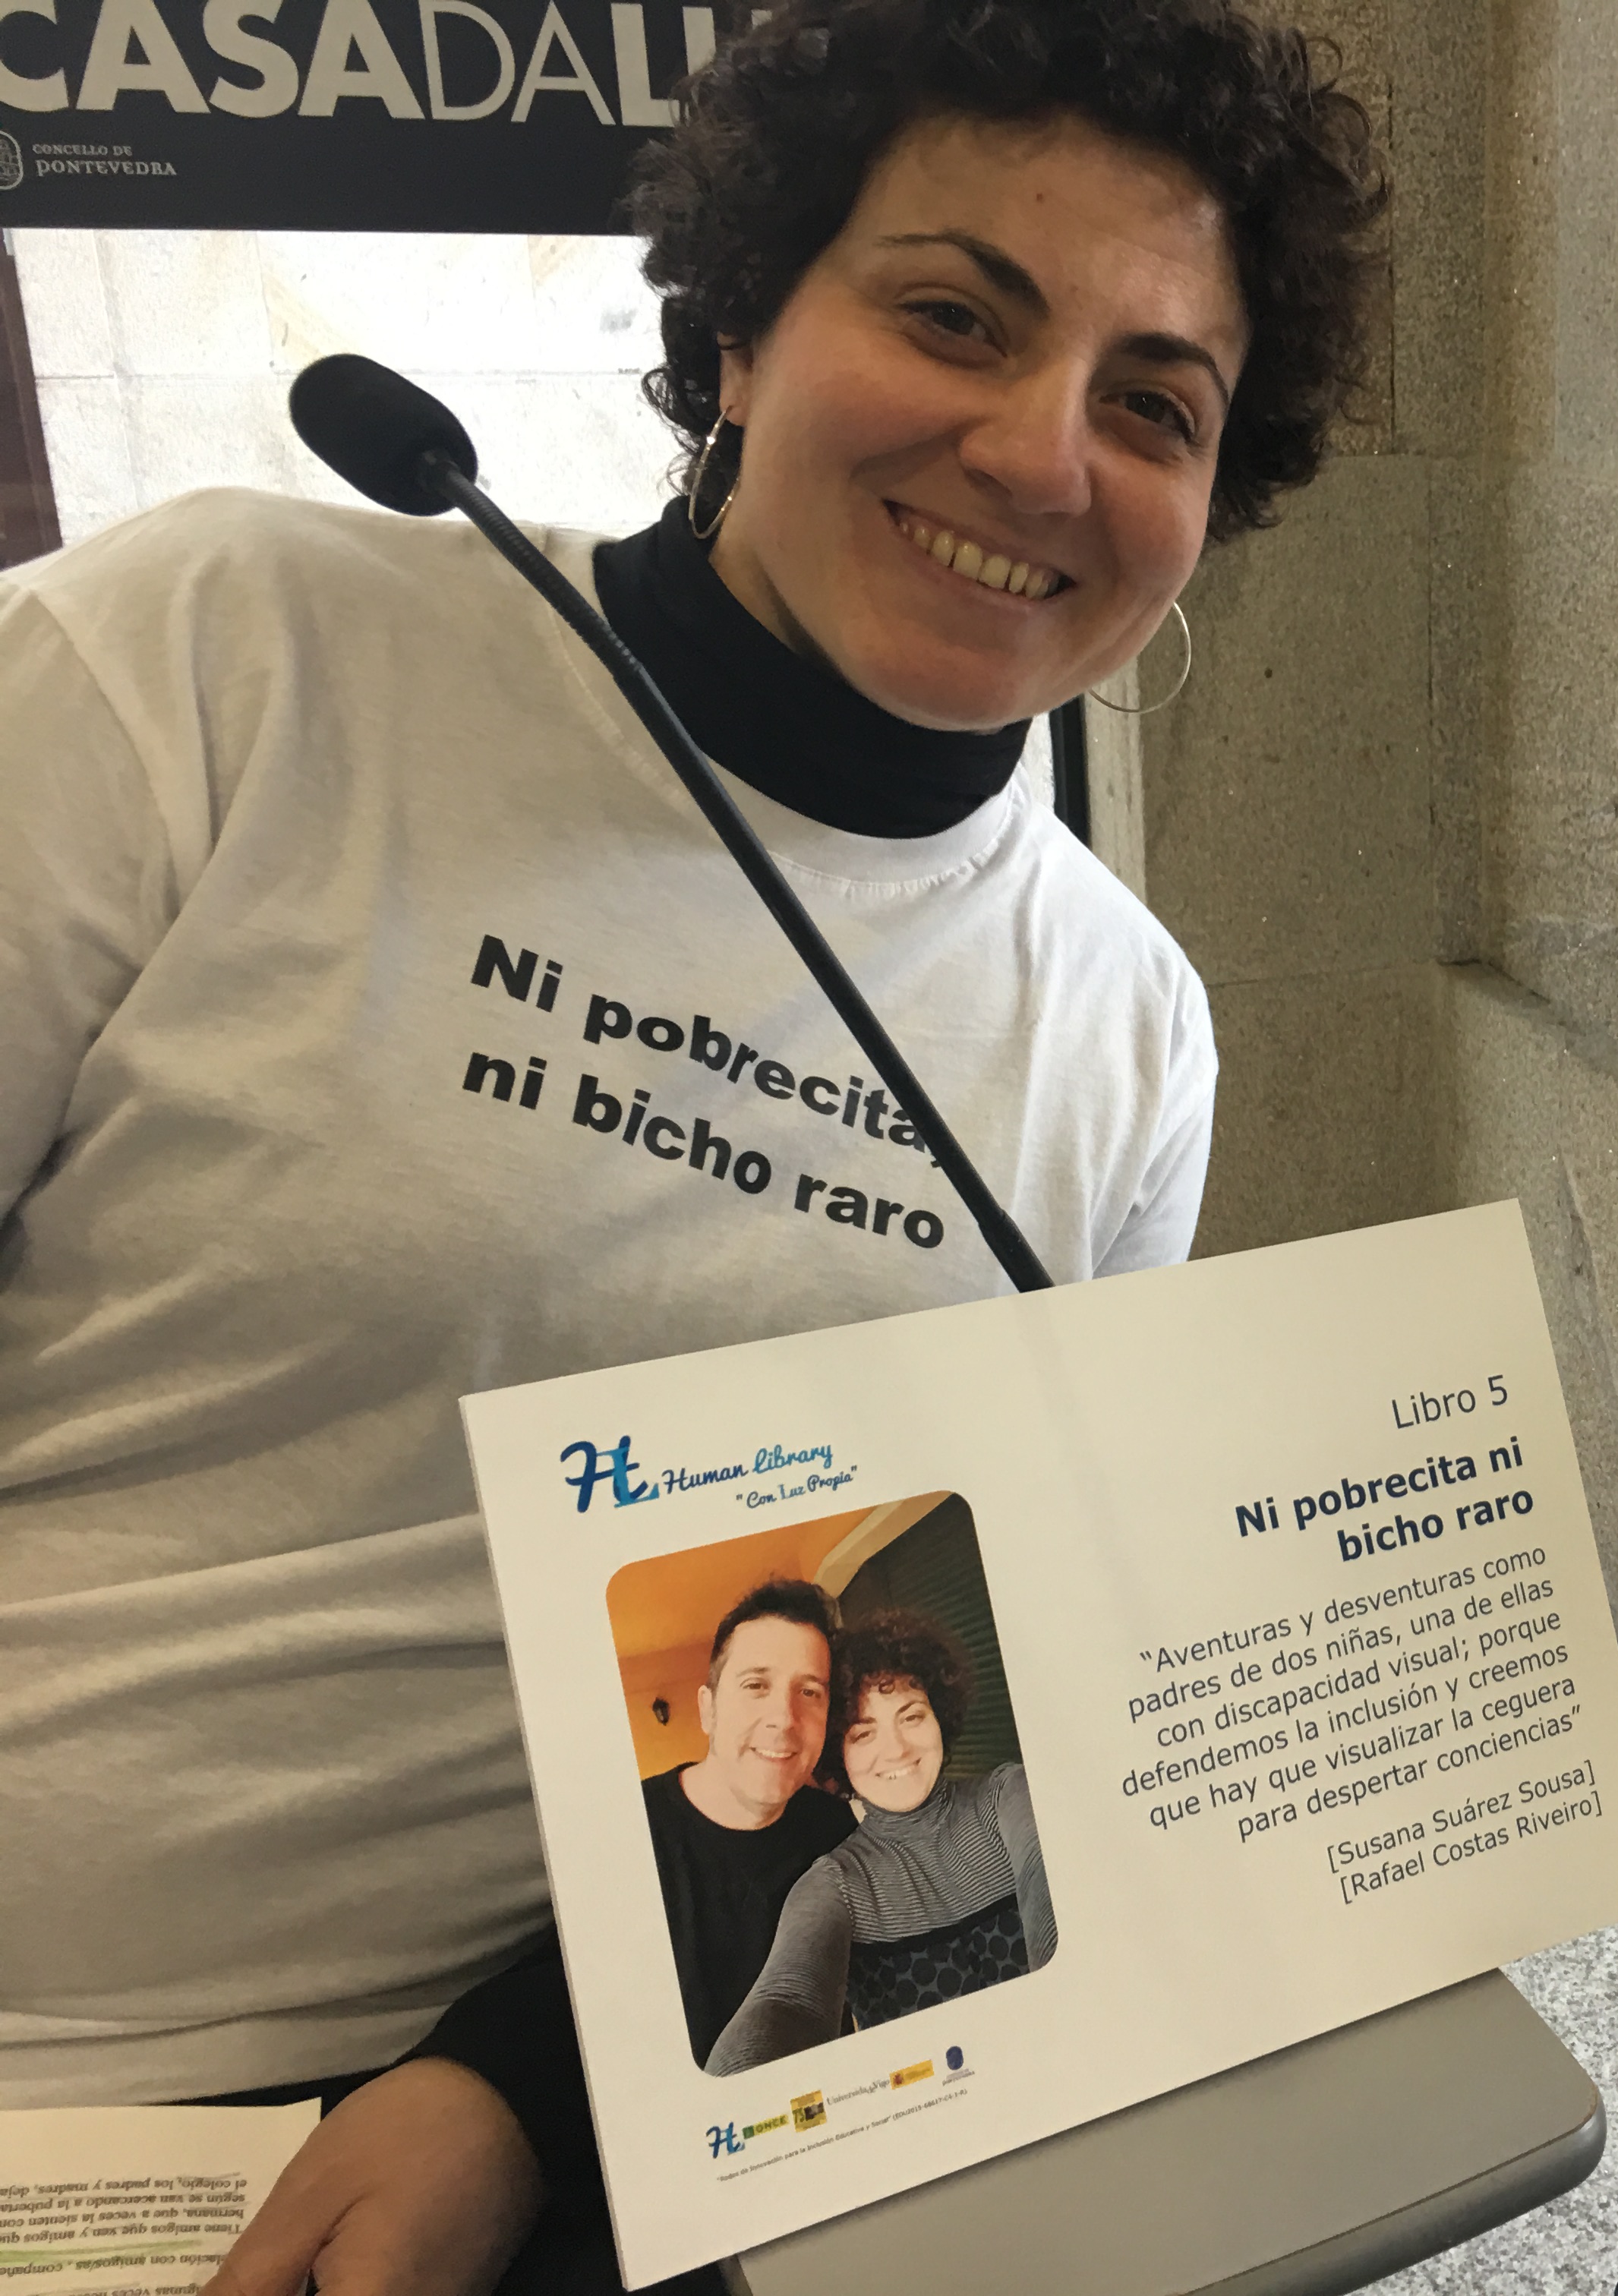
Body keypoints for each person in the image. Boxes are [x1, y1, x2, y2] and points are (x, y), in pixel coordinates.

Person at [0, 0, 1385, 2285]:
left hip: (667, 2078)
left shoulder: (1128, 1028)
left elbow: (983, 1636)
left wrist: (528, 2083)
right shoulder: (220, 664)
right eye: (953, 314)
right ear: (738, 326)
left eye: (1158, 405)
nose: (1043, 455)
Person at [705, 1609, 1057, 2077]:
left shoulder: (1008, 1795)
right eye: (863, 1733)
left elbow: (1048, 1878)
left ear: (940, 1718)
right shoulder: (836, 1884)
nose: (895, 1750)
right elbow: (788, 2003)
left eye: (911, 1717)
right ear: (838, 1751)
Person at [642, 1583, 858, 2071]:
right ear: (708, 1709)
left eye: (809, 1692)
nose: (784, 1718)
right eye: (756, 1685)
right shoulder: (627, 1833)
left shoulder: (835, 1829)